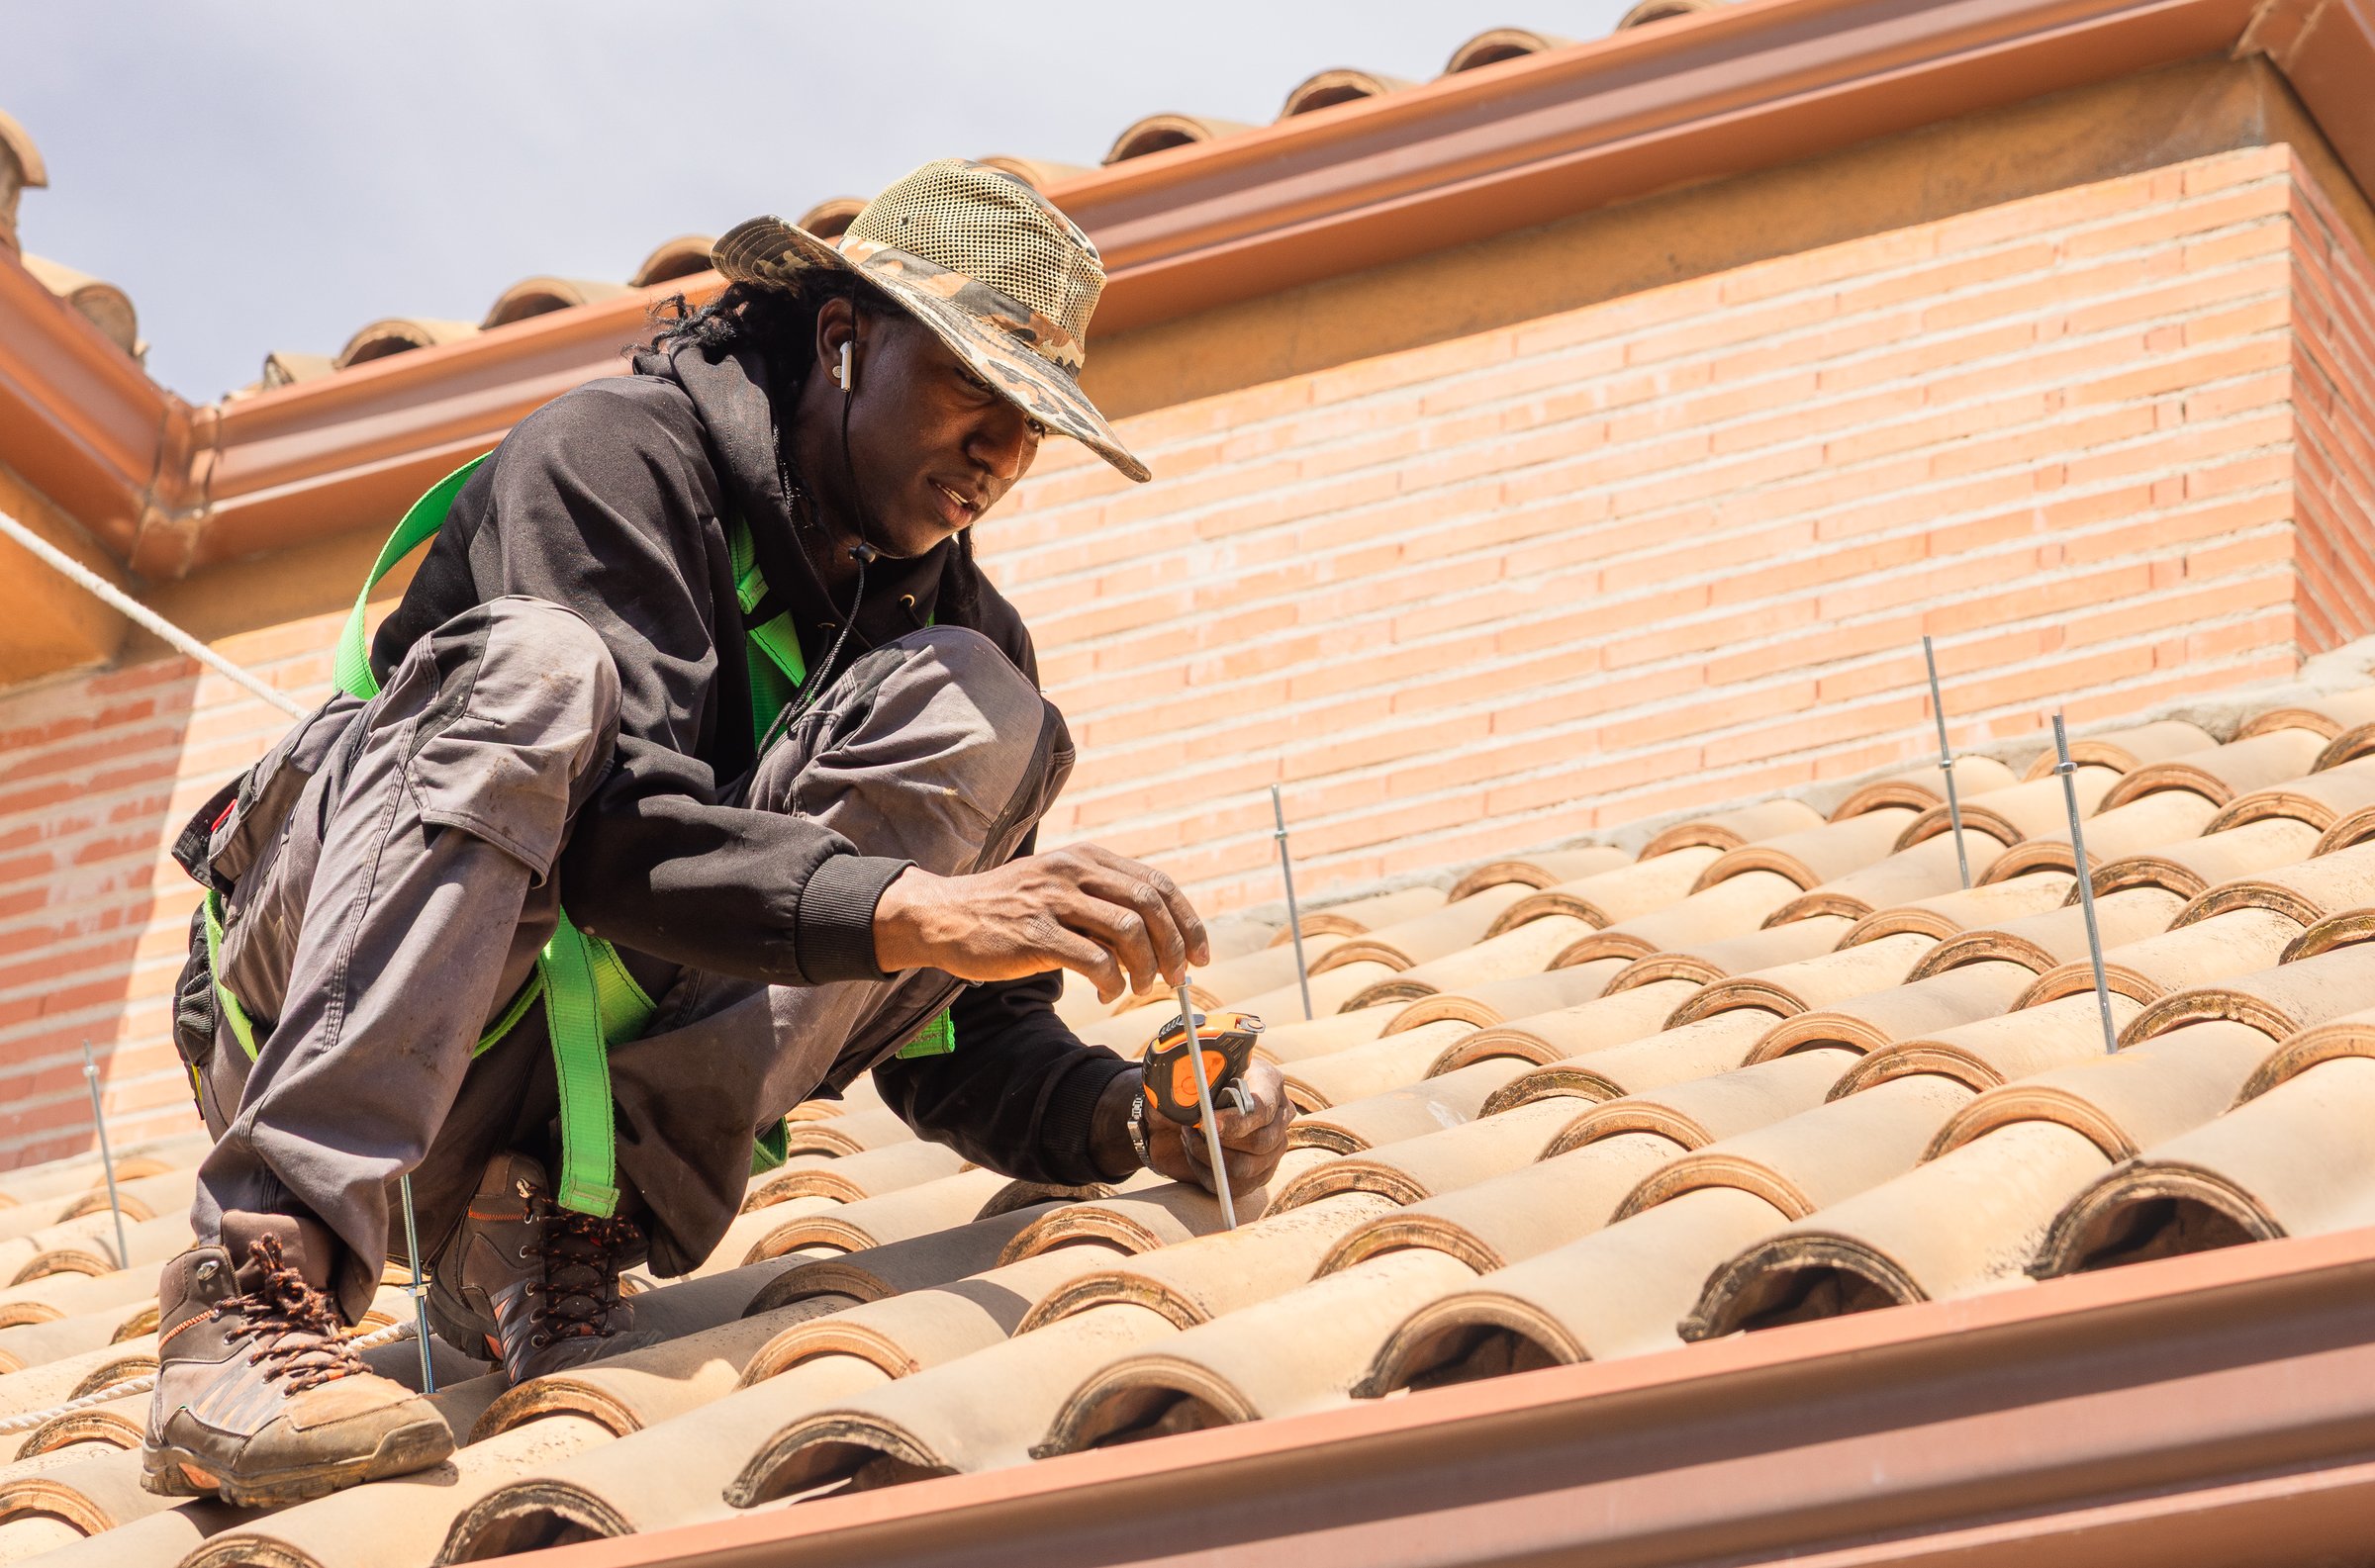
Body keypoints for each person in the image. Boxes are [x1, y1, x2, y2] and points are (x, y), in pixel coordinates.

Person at [143, 159, 1295, 1508]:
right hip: (316, 988)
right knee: (539, 671)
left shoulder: (955, 636)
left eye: (1030, 421)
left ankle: (544, 1225)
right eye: (973, 389)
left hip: (521, 1114)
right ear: (845, 337)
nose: (1000, 450)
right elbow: (614, 835)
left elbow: (947, 1025)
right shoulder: (611, 459)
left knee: (988, 710)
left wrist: (1122, 1118)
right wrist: (914, 906)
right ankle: (250, 1281)